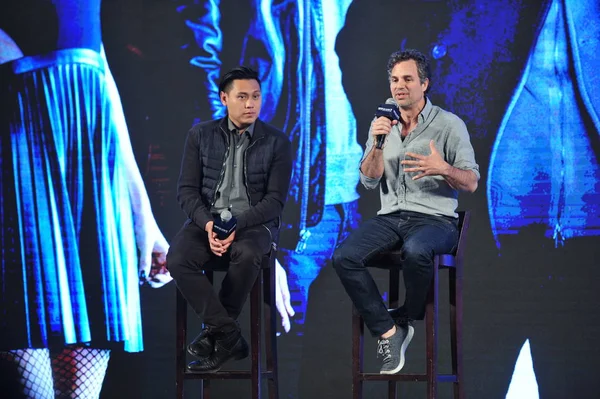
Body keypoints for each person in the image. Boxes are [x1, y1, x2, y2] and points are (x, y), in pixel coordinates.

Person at [0, 1, 172, 398]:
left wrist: (141, 214)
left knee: (80, 391)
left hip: (87, 132)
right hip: (19, 122)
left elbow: (99, 63)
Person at [332, 49, 479, 374]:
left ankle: (409, 317)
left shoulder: (448, 125)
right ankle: (388, 330)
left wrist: (443, 168)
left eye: (407, 79)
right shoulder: (381, 123)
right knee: (344, 256)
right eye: (395, 79)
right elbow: (369, 180)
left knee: (415, 250)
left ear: (424, 83)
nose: (399, 86)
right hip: (392, 217)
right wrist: (380, 141)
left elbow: (470, 183)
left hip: (435, 219)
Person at [166, 66, 293, 373]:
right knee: (178, 259)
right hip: (207, 222)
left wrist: (237, 226)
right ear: (224, 98)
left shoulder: (277, 142)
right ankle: (229, 334)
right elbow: (186, 191)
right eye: (242, 97)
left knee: (247, 254)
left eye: (256, 97)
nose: (251, 104)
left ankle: (215, 335)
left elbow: (274, 202)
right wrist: (209, 225)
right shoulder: (200, 135)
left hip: (254, 225)